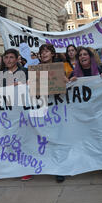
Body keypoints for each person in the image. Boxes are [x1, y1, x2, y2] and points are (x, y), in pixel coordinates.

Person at [69, 47, 102, 176]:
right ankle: (90, 162)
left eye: (85, 54)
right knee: (88, 138)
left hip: (99, 111)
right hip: (83, 113)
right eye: (80, 55)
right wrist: (70, 83)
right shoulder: (73, 74)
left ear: (90, 56)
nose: (83, 56)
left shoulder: (101, 70)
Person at [37, 43, 68, 183]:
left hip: (58, 109)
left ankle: (60, 168)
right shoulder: (35, 70)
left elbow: (66, 87)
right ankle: (51, 165)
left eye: (47, 51)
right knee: (48, 138)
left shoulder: (59, 68)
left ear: (53, 54)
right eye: (42, 52)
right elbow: (35, 93)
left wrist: (65, 81)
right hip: (43, 108)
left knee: (59, 137)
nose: (44, 54)